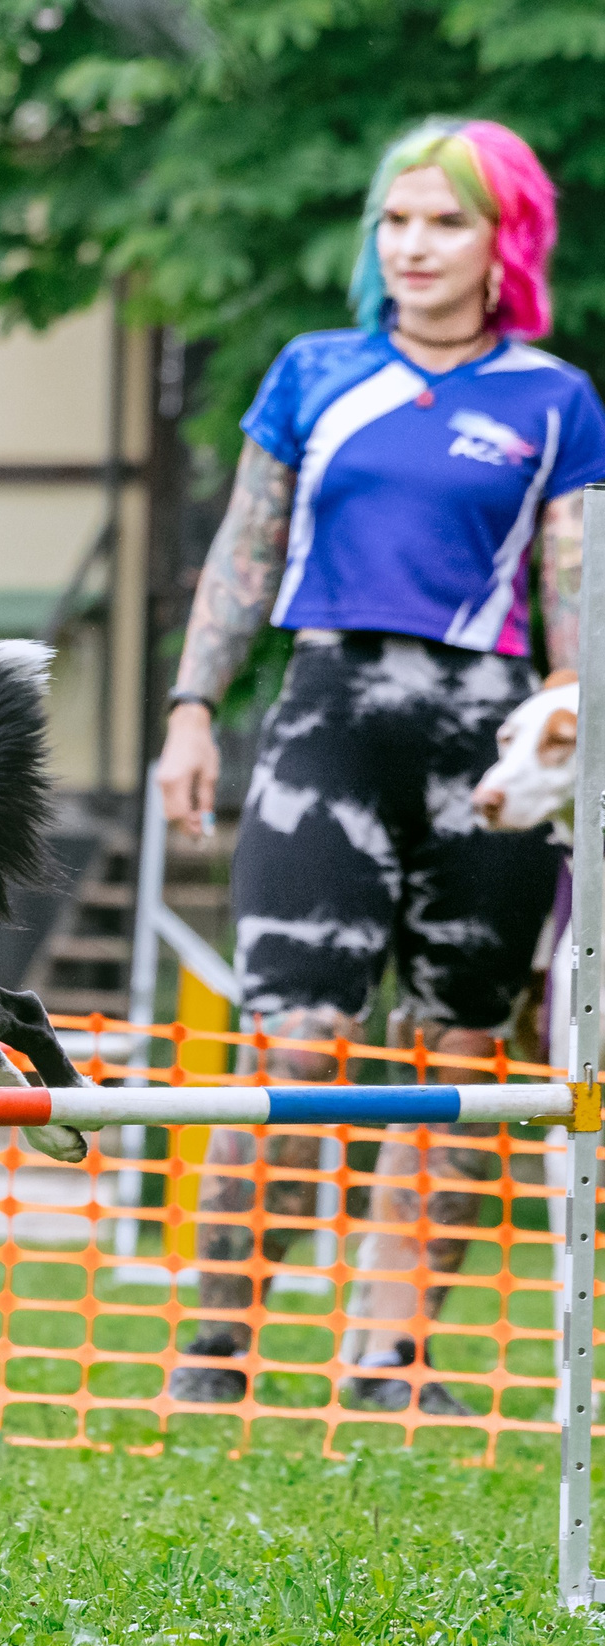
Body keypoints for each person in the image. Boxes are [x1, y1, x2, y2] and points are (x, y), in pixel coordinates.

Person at [156, 118, 598, 1414]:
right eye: (395, 220)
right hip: (327, 718)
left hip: (488, 740)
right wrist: (191, 708)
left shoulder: (554, 400)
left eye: (445, 221)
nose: (413, 245)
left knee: (454, 1050)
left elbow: (575, 606)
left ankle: (388, 1359)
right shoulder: (313, 371)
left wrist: (580, 748)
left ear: (503, 242)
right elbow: (244, 553)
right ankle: (216, 1348)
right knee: (296, 1039)